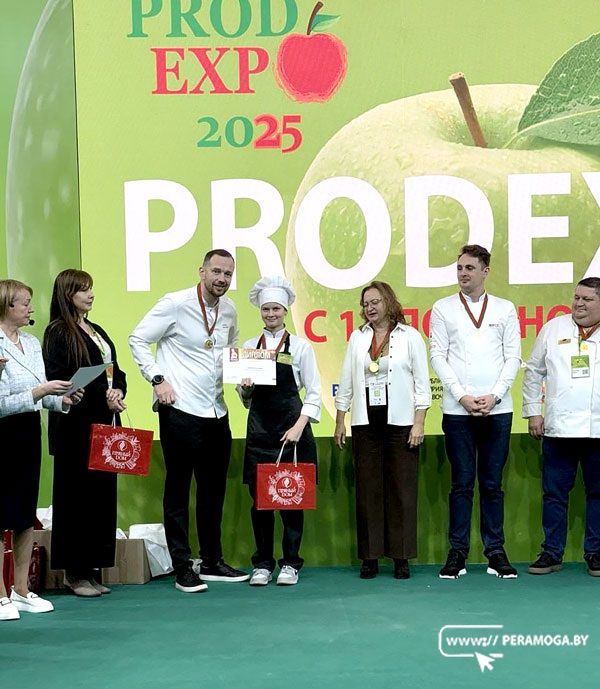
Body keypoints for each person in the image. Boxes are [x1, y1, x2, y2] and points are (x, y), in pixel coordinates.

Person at [129, 249, 248, 593]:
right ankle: (182, 566)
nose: (222, 279)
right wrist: (157, 379)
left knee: (213, 491)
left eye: (228, 274)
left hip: (217, 412)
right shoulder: (175, 303)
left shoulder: (229, 310)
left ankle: (211, 561)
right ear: (201, 271)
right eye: (216, 271)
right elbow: (138, 338)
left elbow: (230, 349)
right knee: (178, 491)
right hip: (180, 411)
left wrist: (242, 377)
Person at [430, 244, 521, 579]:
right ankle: (458, 552)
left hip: (498, 410)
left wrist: (495, 396)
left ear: (486, 271)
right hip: (458, 411)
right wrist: (462, 396)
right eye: (459, 268)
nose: (463, 273)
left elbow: (513, 357)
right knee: (462, 484)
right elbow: (438, 356)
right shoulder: (442, 308)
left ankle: (495, 552)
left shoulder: (505, 308)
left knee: (492, 484)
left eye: (470, 268)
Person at [334, 281, 431, 579]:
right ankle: (370, 557)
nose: (370, 308)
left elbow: (422, 383)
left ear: (389, 302)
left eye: (375, 301)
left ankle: (401, 557)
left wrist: (419, 422)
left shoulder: (410, 336)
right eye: (365, 304)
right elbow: (347, 380)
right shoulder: (357, 337)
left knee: (402, 490)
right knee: (368, 490)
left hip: (401, 422)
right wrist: (340, 419)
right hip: (366, 422)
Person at [43, 269, 127, 597]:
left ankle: (93, 569)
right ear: (68, 295)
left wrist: (117, 391)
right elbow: (57, 377)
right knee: (75, 499)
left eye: (91, 289)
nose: (90, 295)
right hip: (74, 428)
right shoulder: (58, 332)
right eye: (83, 290)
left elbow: (114, 370)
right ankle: (74, 573)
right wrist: (95, 393)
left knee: (100, 499)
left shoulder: (96, 329)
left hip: (104, 425)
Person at [0, 279, 80, 620]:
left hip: (28, 432)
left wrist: (62, 399)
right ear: (6, 305)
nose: (31, 308)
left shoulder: (32, 343)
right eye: (24, 303)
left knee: (23, 514)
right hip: (2, 433)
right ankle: (0, 596)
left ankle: (20, 590)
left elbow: (42, 391)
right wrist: (40, 392)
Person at [239, 276, 321, 586]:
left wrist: (299, 426)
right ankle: (262, 564)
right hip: (260, 431)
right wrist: (246, 388)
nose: (271, 314)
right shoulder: (249, 347)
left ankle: (290, 563)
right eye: (266, 309)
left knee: (291, 499)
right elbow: (246, 399)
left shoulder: (300, 346)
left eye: (276, 309)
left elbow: (314, 391)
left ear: (285, 311)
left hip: (292, 432)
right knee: (260, 503)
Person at [523, 277, 600, 577]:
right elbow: (533, 372)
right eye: (576, 297)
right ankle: (551, 553)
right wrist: (533, 412)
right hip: (558, 429)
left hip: (597, 430)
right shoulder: (553, 328)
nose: (579, 304)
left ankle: (595, 553)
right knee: (554, 495)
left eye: (587, 299)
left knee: (598, 494)